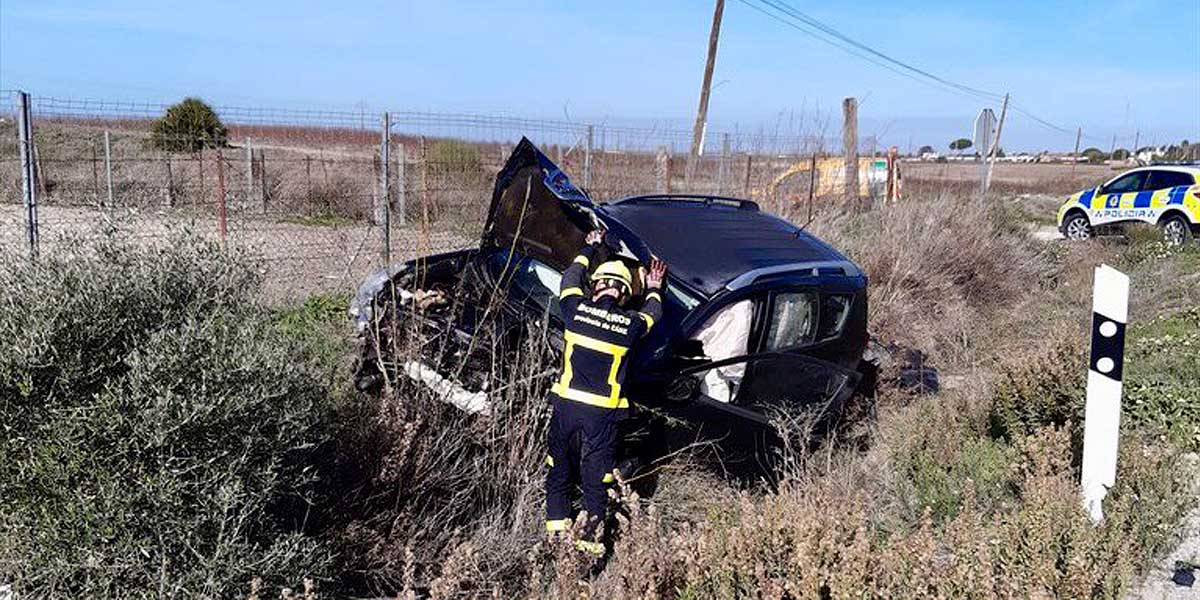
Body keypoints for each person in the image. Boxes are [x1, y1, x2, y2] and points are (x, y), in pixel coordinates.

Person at [544, 228, 666, 556]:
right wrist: (654, 287)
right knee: (595, 482)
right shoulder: (629, 325)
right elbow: (653, 315)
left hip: (566, 409)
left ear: (595, 285)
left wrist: (590, 248)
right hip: (602, 416)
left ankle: (555, 541)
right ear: (625, 294)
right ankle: (587, 554)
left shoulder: (573, 310)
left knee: (559, 472)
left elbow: (570, 278)